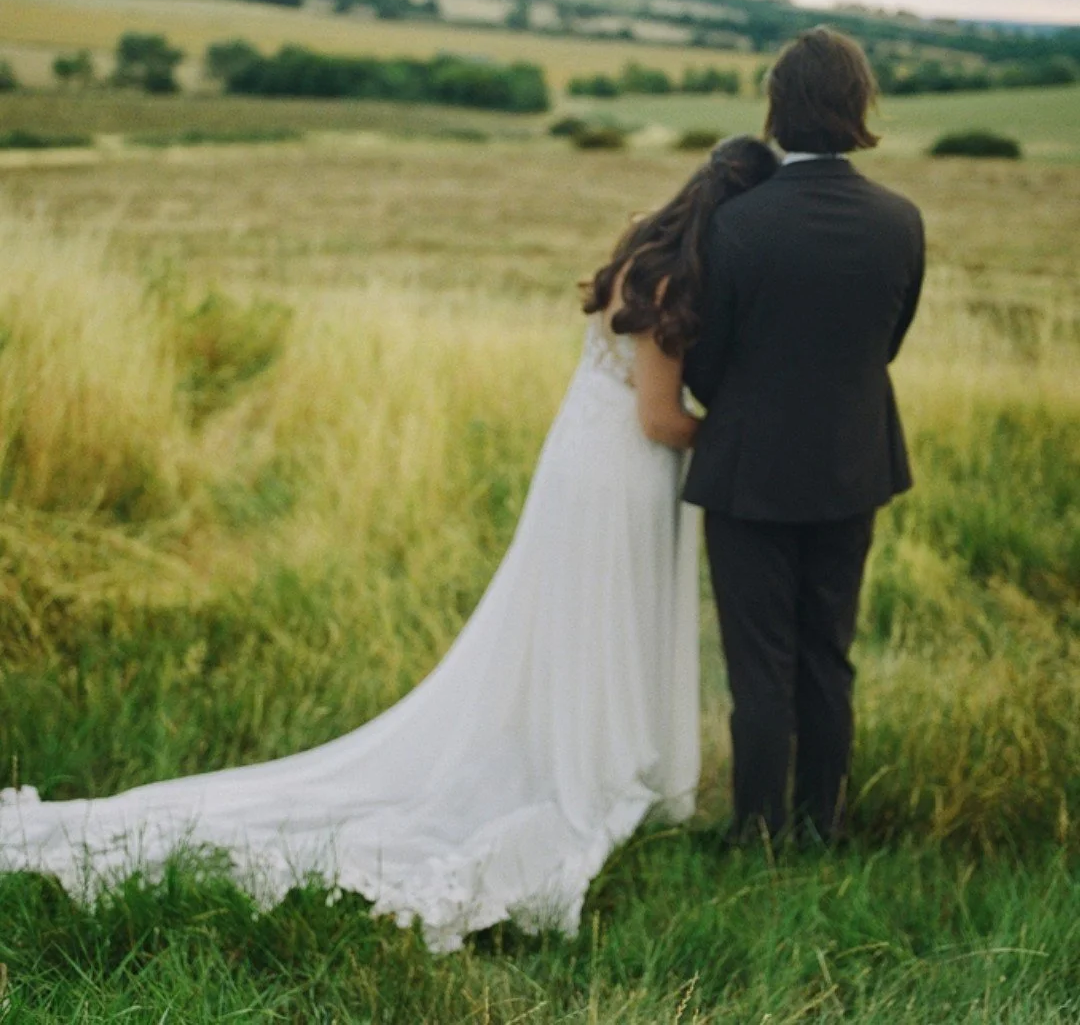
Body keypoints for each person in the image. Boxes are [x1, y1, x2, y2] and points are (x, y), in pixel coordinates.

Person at [0, 136, 778, 952]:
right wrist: (751, 433)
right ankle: (584, 758)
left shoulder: (643, 241)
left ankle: (578, 736)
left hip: (582, 451)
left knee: (576, 616)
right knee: (602, 617)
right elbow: (660, 418)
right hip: (620, 465)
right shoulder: (669, 278)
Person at [683, 27, 925, 845]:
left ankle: (753, 831)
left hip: (749, 472)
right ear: (860, 108)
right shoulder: (900, 220)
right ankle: (822, 824)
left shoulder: (738, 223)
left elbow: (704, 367)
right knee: (830, 654)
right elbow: (885, 345)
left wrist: (751, 407)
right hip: (853, 465)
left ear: (777, 109)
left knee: (759, 668)